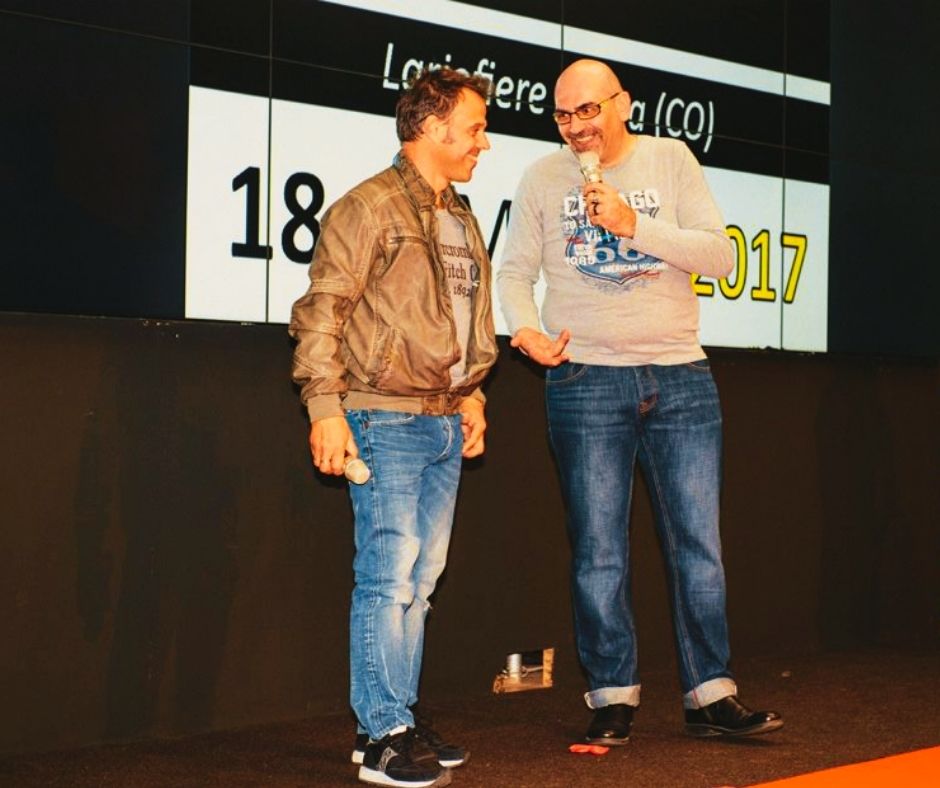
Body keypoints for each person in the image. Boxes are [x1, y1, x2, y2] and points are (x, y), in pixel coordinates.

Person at [496, 59, 783, 745]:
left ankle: (710, 693)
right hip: (585, 378)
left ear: (623, 104)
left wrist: (633, 224)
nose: (575, 127)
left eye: (587, 110)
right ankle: (612, 694)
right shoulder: (541, 178)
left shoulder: (670, 159)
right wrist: (525, 330)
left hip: (680, 375)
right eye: (563, 114)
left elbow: (720, 257)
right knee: (599, 549)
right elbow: (513, 273)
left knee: (699, 546)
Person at [289, 67, 497, 787]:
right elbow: (321, 314)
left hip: (442, 422)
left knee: (420, 582)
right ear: (432, 127)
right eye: (474, 129)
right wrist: (325, 409)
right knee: (388, 579)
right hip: (383, 417)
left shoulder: (461, 215)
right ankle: (384, 734)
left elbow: (464, 321)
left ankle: (392, 714)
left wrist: (471, 395)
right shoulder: (369, 207)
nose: (484, 143)